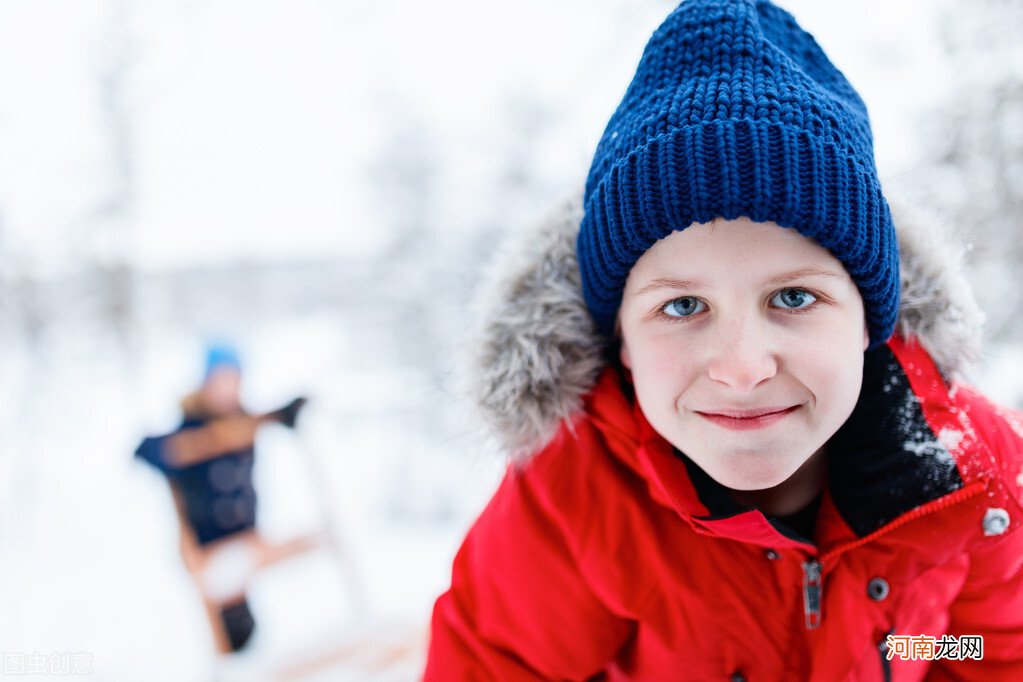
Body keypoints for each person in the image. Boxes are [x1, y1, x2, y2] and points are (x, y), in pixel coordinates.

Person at [424, 1, 1023, 679]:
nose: (742, 367)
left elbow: (984, 654)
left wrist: (906, 648)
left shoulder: (971, 478)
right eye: (682, 305)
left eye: (793, 298)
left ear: (868, 322)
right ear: (619, 339)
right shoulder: (577, 493)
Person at [136, 344, 307, 653]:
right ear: (206, 384)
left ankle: (241, 647)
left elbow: (270, 416)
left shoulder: (244, 418)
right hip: (212, 545)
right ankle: (234, 648)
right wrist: (170, 452)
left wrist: (287, 413)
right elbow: (146, 449)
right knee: (228, 590)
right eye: (220, 381)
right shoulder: (191, 424)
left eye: (234, 380)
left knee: (239, 587)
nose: (228, 389)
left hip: (245, 537)